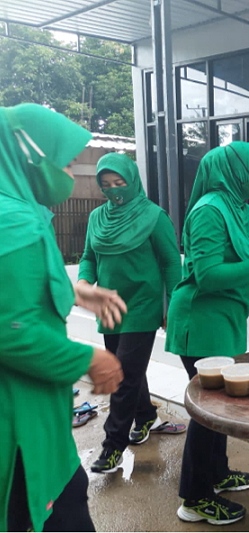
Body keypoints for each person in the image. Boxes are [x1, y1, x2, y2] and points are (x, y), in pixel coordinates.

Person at [0, 103, 124, 532]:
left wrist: (74, 290)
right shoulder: (10, 220)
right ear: (30, 154)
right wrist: (88, 359)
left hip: (41, 419)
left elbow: (13, 283)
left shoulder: (19, 209)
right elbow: (8, 328)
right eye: (67, 161)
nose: (73, 172)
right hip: (18, 426)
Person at [165, 142, 249, 525]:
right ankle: (194, 497)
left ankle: (218, 473)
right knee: (209, 410)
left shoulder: (241, 209)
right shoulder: (209, 211)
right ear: (237, 173)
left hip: (226, 319)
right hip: (201, 319)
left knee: (222, 404)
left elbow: (248, 264)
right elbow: (208, 276)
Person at [78, 153, 184, 473]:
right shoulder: (97, 217)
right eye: (106, 185)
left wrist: (171, 305)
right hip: (109, 304)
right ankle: (147, 416)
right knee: (129, 370)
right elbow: (89, 258)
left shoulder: (154, 216)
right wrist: (84, 282)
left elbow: (170, 263)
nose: (114, 190)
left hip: (143, 304)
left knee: (120, 374)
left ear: (132, 180)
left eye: (119, 182)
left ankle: (112, 446)